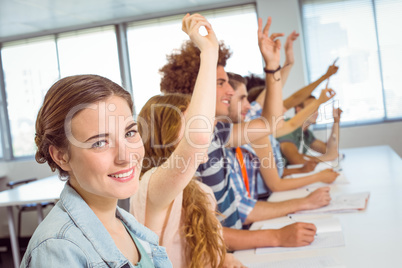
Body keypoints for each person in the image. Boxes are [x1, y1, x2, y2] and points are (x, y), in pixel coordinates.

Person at [159, 16, 318, 250]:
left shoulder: (216, 132)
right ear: (198, 86)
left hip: (233, 250)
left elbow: (270, 123)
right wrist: (276, 237)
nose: (230, 91)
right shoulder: (184, 143)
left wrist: (272, 64)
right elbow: (198, 231)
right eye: (221, 83)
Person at [21, 74, 172, 267]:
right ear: (61, 156)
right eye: (100, 142)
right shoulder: (59, 248)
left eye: (130, 133)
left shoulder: (127, 225)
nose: (126, 156)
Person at [130, 14, 244, 268]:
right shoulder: (151, 186)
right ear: (165, 138)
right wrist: (209, 51)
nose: (205, 127)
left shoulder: (200, 192)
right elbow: (196, 141)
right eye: (190, 122)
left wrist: (224, 259)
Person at [226, 72, 338, 207]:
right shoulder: (253, 132)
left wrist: (285, 64)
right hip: (260, 202)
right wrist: (318, 177)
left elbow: (275, 172)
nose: (285, 109)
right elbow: (275, 184)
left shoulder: (255, 131)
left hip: (259, 202)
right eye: (278, 105)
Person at [277, 95, 343, 165]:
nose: (317, 112)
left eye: (317, 108)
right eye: (312, 108)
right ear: (298, 109)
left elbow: (328, 150)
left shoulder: (306, 134)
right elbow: (296, 159)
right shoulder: (286, 128)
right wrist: (326, 158)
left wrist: (336, 122)